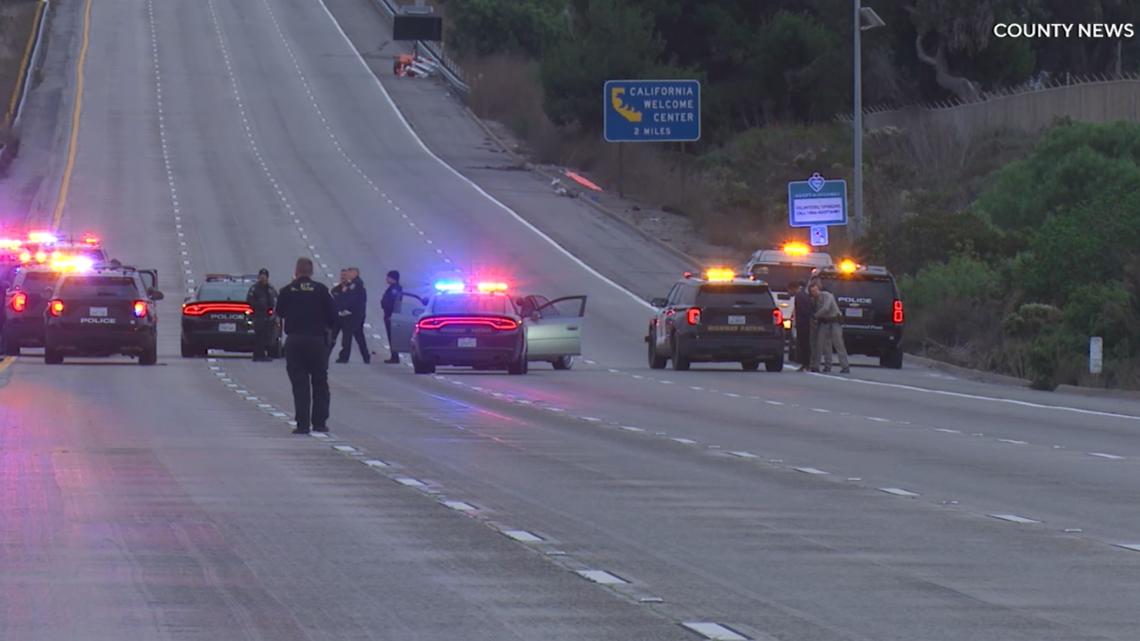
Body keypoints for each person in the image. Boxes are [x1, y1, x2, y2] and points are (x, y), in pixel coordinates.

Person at [275, 257, 337, 434]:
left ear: (296, 271)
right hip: (316, 340)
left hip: (295, 340)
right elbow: (333, 316)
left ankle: (302, 424)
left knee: (299, 384)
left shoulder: (287, 290)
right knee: (320, 382)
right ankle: (319, 422)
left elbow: (279, 312)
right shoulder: (321, 290)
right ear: (311, 272)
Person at [810, 280, 850, 374]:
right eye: (812, 291)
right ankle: (820, 366)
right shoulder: (813, 300)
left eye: (815, 291)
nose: (814, 293)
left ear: (819, 289)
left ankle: (845, 366)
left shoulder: (828, 296)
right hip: (824, 322)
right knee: (821, 345)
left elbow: (826, 308)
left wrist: (815, 316)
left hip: (834, 321)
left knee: (838, 344)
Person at [335, 267, 370, 364]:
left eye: (350, 272)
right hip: (358, 314)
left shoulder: (356, 284)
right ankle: (366, 356)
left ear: (355, 273)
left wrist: (346, 309)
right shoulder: (355, 284)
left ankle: (344, 356)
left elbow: (352, 300)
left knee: (348, 336)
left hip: (354, 315)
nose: (348, 274)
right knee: (359, 336)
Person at [246, 268, 278, 362]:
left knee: (265, 336)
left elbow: (274, 299)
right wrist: (258, 305)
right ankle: (257, 355)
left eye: (265, 276)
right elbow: (250, 301)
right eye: (261, 276)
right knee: (259, 335)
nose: (263, 278)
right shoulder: (255, 288)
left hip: (268, 315)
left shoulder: (270, 288)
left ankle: (262, 354)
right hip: (258, 315)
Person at [789, 280, 814, 372]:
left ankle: (806, 364)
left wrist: (799, 323)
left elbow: (803, 311)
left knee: (804, 345)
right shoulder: (804, 295)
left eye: (789, 291)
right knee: (805, 344)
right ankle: (806, 364)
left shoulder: (799, 297)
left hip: (803, 324)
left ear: (792, 289)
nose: (789, 293)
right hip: (805, 323)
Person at [380, 270, 403, 364]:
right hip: (389, 314)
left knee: (392, 336)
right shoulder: (393, 288)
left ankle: (395, 356)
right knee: (391, 336)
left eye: (388, 277)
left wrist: (391, 314)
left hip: (391, 315)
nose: (386, 279)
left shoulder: (395, 289)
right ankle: (394, 355)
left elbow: (392, 303)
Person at [329, 269, 351, 358]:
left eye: (345, 275)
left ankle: (344, 357)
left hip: (347, 316)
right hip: (337, 316)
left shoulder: (352, 288)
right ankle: (326, 354)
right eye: (342, 275)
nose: (343, 277)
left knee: (346, 339)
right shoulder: (335, 289)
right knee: (332, 337)